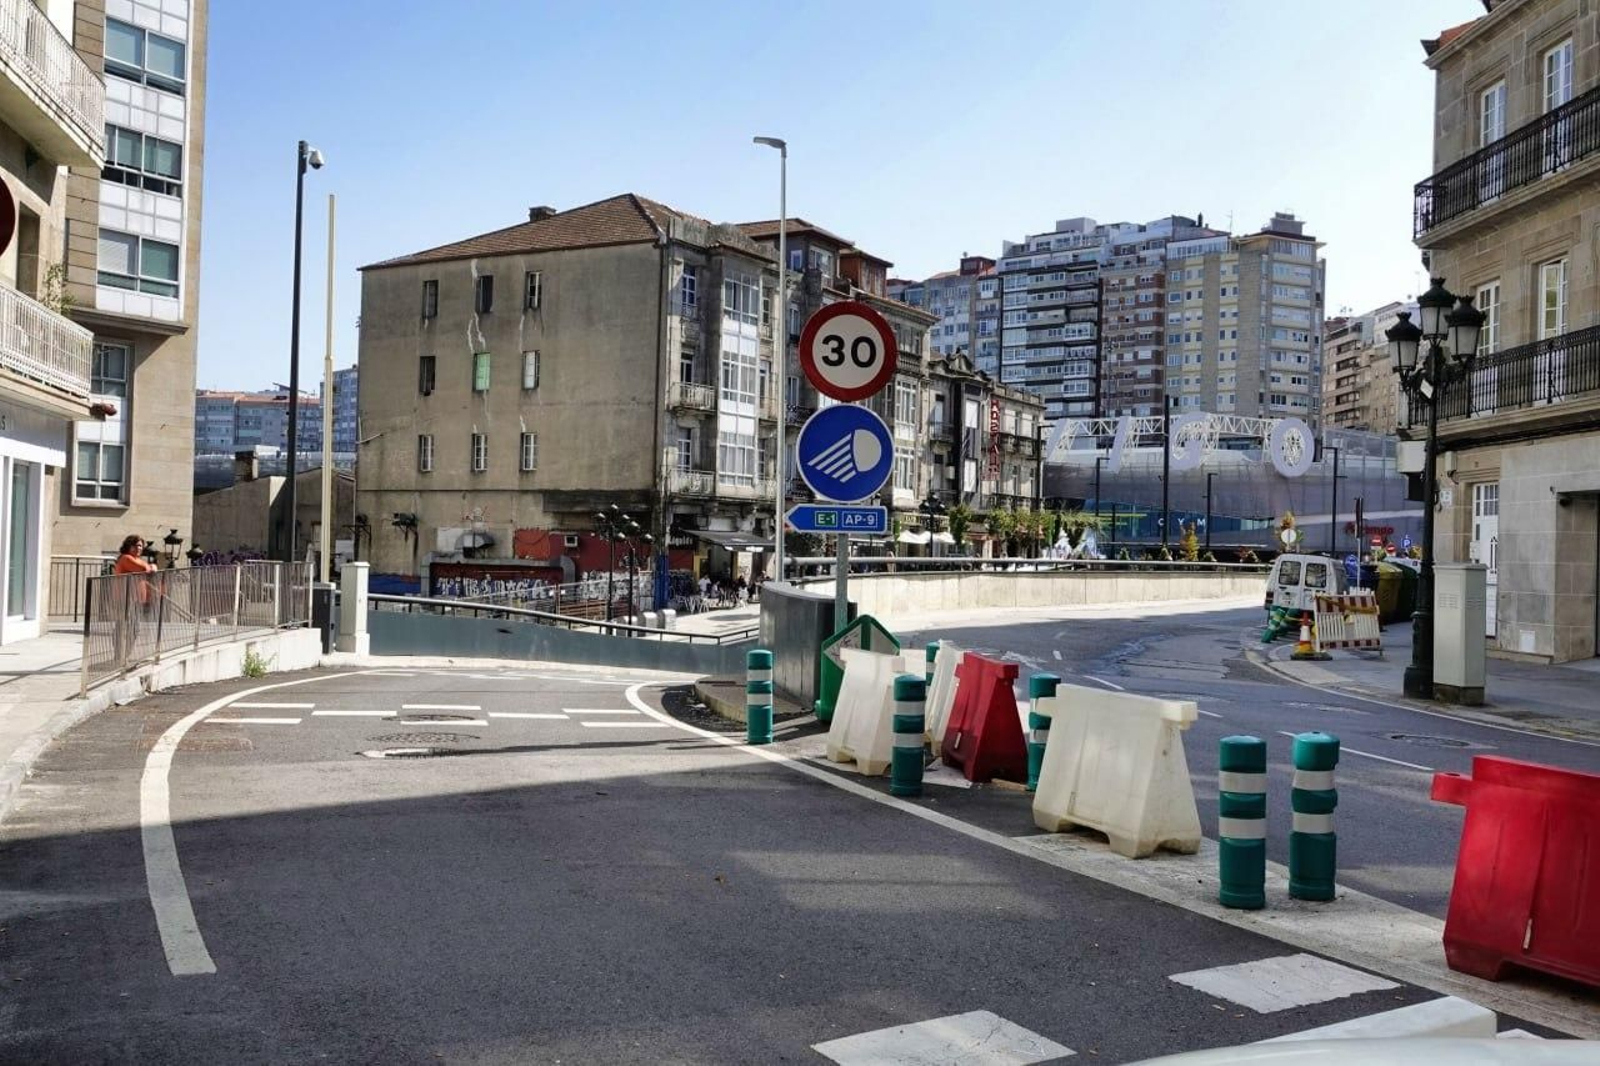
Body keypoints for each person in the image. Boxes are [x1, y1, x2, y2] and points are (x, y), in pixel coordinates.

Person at [112, 534, 157, 661]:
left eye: (141, 546)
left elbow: (144, 566)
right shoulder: (125, 558)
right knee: (123, 626)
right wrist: (151, 567)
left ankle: (124, 654)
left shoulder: (136, 559)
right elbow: (142, 568)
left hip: (136, 599)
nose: (139, 548)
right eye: (136, 545)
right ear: (129, 546)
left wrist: (150, 567)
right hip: (125, 598)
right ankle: (119, 655)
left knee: (134, 628)